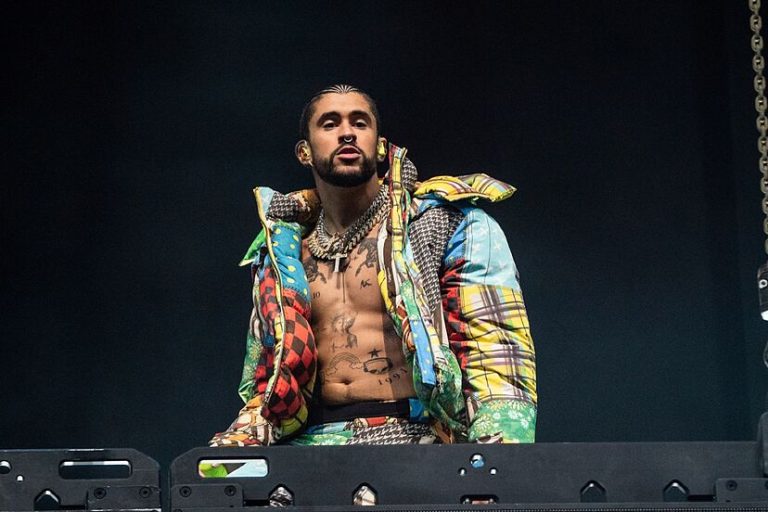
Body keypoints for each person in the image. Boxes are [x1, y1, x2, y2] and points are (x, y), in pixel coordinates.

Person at [210, 84, 537, 449]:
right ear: (304, 152)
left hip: (416, 440)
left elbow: (497, 355)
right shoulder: (279, 252)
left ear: (380, 147)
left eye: (360, 123)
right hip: (309, 449)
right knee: (208, 475)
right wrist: (236, 449)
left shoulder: (446, 224)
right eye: (330, 123)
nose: (347, 133)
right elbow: (266, 380)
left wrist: (496, 462)